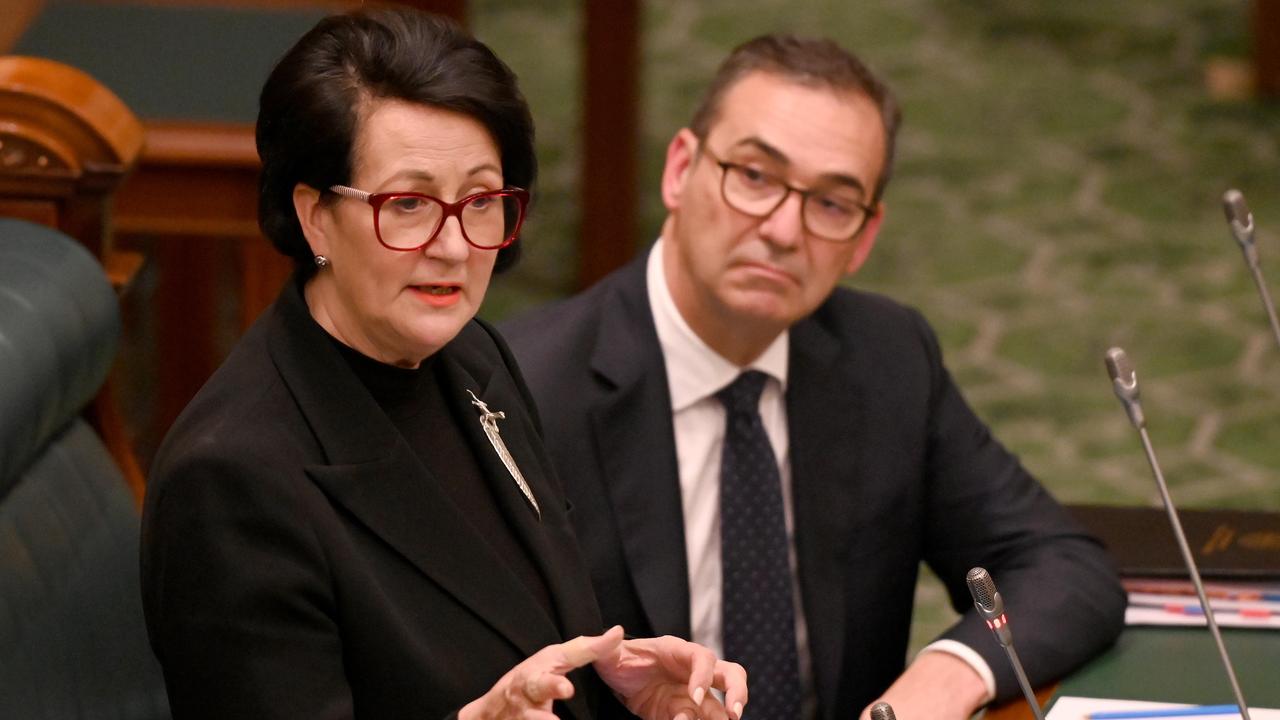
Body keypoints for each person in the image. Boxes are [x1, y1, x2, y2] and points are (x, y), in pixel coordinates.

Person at [139, 9, 748, 720]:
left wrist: (618, 685)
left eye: (482, 201)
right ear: (315, 217)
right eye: (408, 204)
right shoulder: (232, 481)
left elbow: (520, 628)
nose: (455, 247)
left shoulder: (471, 356)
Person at [501, 33, 1126, 720]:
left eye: (831, 204)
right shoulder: (525, 390)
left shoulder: (887, 357)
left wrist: (944, 678)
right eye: (756, 177)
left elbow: (1063, 568)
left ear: (864, 238)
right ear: (680, 169)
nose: (782, 230)